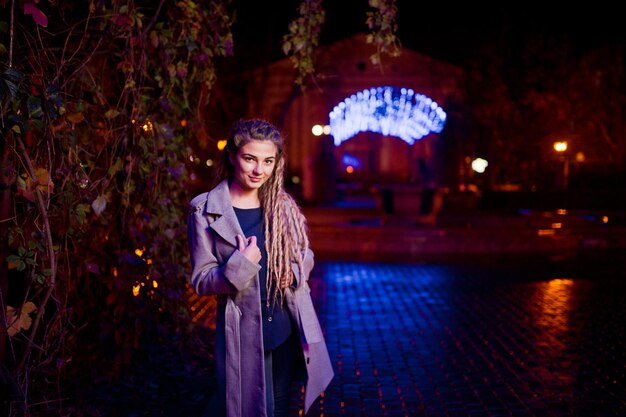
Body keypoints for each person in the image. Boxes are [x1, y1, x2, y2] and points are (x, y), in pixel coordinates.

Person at [187, 118, 334, 417]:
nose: (259, 170)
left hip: (287, 324)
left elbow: (306, 254)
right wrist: (240, 266)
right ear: (232, 156)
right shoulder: (204, 210)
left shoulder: (282, 206)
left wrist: (293, 272)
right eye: (250, 159)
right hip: (244, 329)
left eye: (268, 161)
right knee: (244, 407)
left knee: (279, 405)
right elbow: (201, 280)